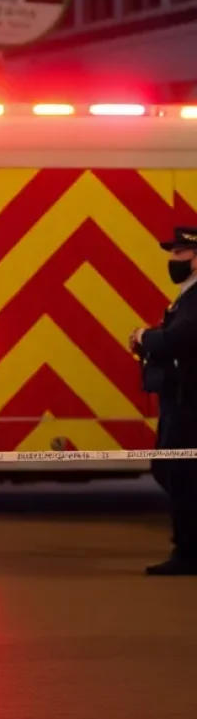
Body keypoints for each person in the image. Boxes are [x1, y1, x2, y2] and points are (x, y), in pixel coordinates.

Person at [130, 225, 197, 576]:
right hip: (179, 398)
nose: (172, 260)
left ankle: (188, 553)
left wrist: (146, 336)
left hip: (189, 403)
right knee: (169, 468)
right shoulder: (187, 295)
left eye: (178, 254)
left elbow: (181, 337)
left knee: (181, 473)